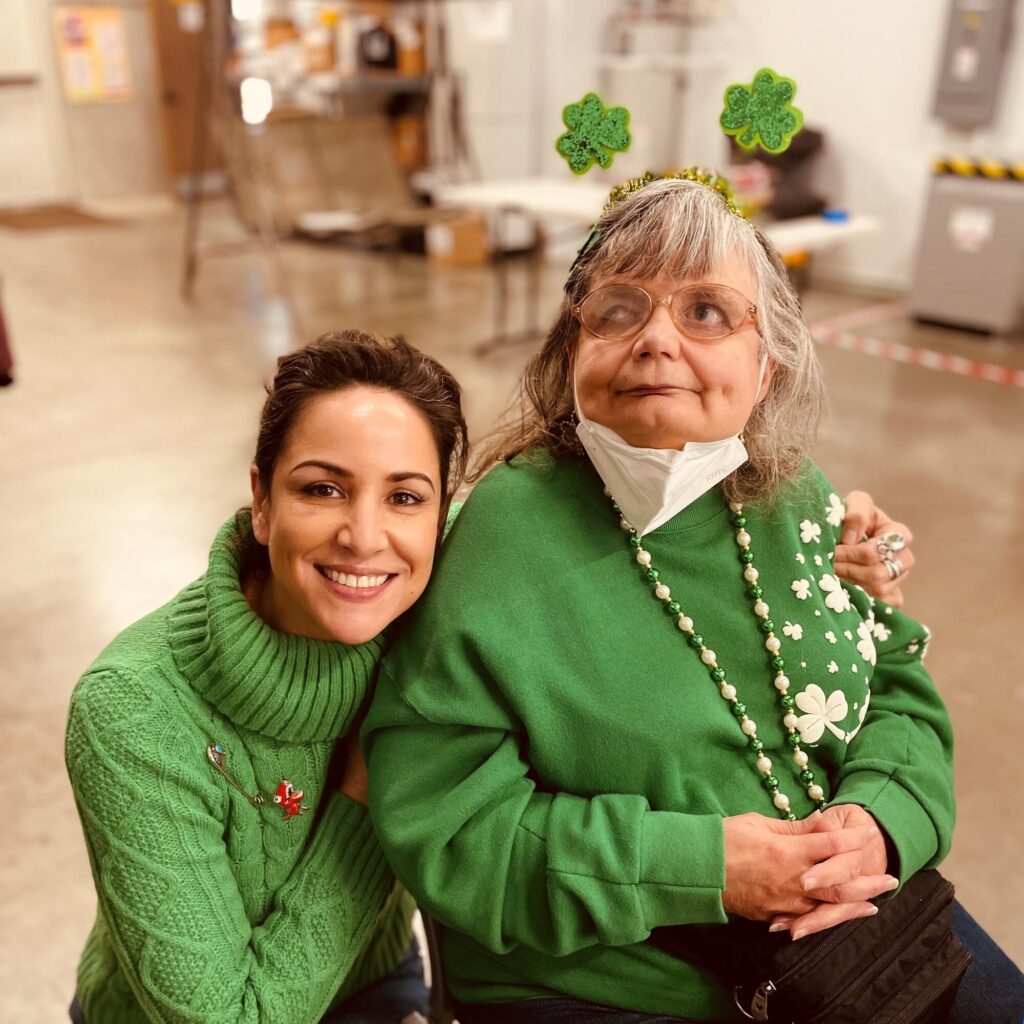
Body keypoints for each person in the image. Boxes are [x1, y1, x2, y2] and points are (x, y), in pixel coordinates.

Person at [362, 177, 1024, 1022]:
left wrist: (880, 822)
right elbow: (453, 832)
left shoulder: (799, 501)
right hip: (606, 979)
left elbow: (895, 684)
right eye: (618, 310)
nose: (657, 341)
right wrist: (708, 867)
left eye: (707, 312)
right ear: (572, 351)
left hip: (855, 930)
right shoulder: (494, 541)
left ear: (766, 363)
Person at [64, 331, 468, 1024]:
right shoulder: (131, 709)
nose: (365, 537)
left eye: (405, 498)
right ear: (262, 499)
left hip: (370, 981)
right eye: (323, 488)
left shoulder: (425, 591)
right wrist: (369, 791)